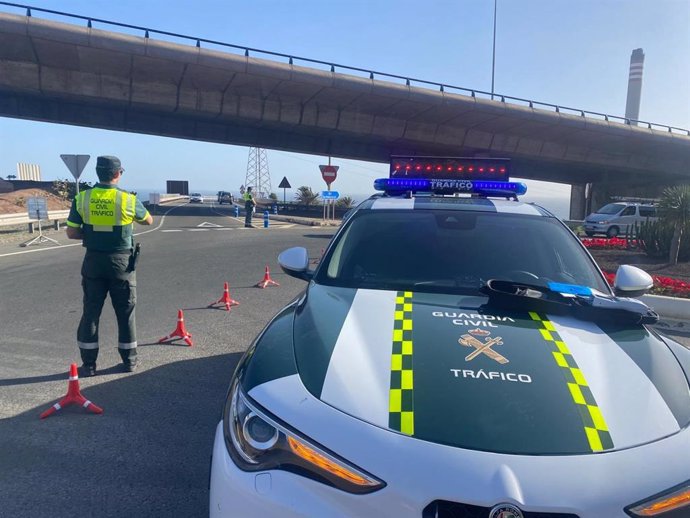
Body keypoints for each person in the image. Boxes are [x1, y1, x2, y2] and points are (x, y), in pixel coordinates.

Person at [65, 156, 153, 377]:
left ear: (97, 173)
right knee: (126, 314)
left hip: (93, 262)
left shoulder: (82, 198)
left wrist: (95, 234)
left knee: (91, 313)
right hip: (121, 263)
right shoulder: (128, 199)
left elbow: (72, 232)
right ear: (117, 174)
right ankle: (129, 361)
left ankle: (89, 365)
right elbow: (148, 221)